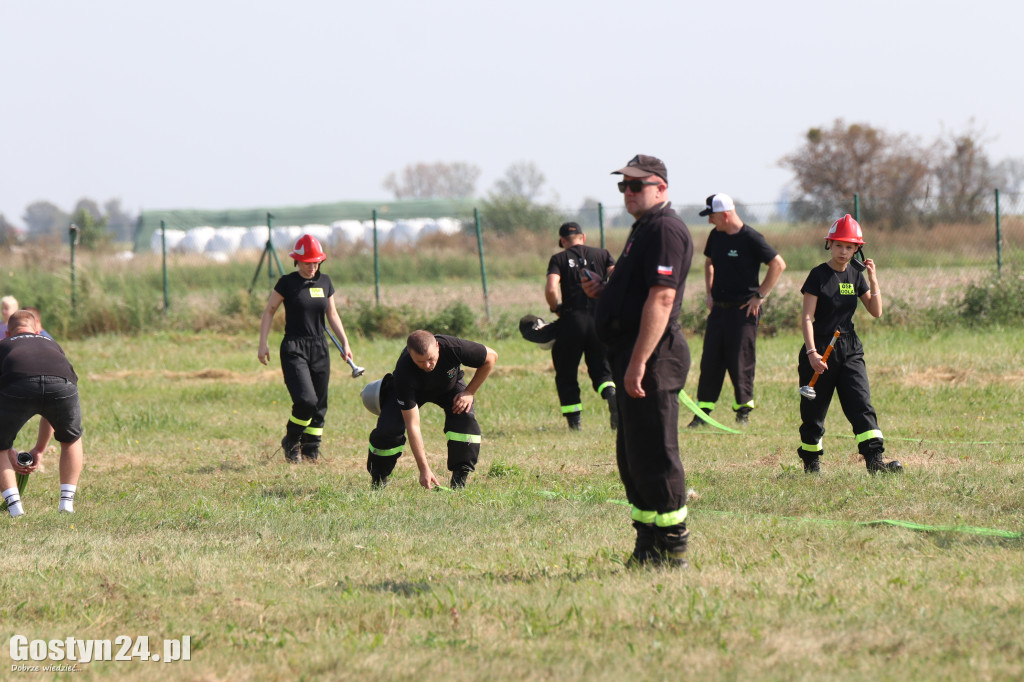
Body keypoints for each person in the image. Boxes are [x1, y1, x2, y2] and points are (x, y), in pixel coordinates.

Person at [587, 154, 693, 568]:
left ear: (661, 188)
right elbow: (638, 290)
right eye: (623, 186)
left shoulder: (666, 229)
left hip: (653, 357)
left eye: (636, 185)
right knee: (633, 457)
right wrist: (606, 293)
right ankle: (647, 544)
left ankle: (673, 548)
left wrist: (637, 362)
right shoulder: (643, 229)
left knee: (656, 453)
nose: (628, 193)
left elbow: (662, 298)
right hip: (633, 355)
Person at [797, 214, 902, 475]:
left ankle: (875, 463)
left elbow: (875, 311)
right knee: (814, 412)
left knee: (861, 403)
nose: (844, 252)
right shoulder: (818, 275)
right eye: (839, 245)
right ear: (829, 245)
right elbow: (807, 317)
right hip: (820, 348)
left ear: (857, 249)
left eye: (850, 246)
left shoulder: (856, 273)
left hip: (850, 349)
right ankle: (811, 464)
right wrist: (812, 353)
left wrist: (874, 279)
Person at [688, 193, 786, 427]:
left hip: (743, 312)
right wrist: (709, 292)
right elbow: (709, 262)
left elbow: (778, 264)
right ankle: (703, 414)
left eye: (711, 216)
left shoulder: (751, 238)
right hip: (718, 311)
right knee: (710, 360)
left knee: (740, 360)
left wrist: (759, 296)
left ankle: (743, 412)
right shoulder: (716, 236)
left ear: (725, 215)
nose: (709, 221)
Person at [258, 234, 354, 464]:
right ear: (297, 261)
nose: (312, 267)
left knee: (320, 403)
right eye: (307, 262)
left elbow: (332, 314)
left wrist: (345, 342)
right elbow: (270, 311)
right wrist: (263, 343)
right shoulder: (287, 283)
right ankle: (291, 440)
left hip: (319, 346)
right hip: (294, 346)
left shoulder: (325, 282)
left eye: (316, 262)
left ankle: (311, 450)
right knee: (306, 400)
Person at [366, 330, 497, 490]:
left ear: (437, 346)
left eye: (430, 359)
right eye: (420, 362)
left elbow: (491, 357)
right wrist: (424, 469)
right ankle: (378, 479)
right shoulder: (404, 371)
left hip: (449, 387)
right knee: (388, 430)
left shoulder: (453, 347)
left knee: (465, 418)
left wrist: (469, 391)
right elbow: (413, 426)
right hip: (414, 393)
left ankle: (459, 481)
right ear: (410, 353)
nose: (427, 366)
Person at [0, 310, 84, 517]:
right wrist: (39, 449)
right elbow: (49, 409)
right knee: (71, 439)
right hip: (63, 384)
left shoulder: (4, 345)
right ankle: (67, 505)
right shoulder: (51, 343)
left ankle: (15, 508)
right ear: (38, 330)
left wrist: (6, 447)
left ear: (8, 333)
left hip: (19, 383)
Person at [544, 221, 617, 430]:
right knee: (603, 370)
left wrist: (555, 307)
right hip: (600, 321)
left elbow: (551, 287)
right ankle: (611, 395)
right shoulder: (603, 254)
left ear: (562, 241)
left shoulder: (558, 258)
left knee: (566, 372)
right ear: (583, 238)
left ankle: (575, 424)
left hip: (572, 321)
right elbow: (617, 276)